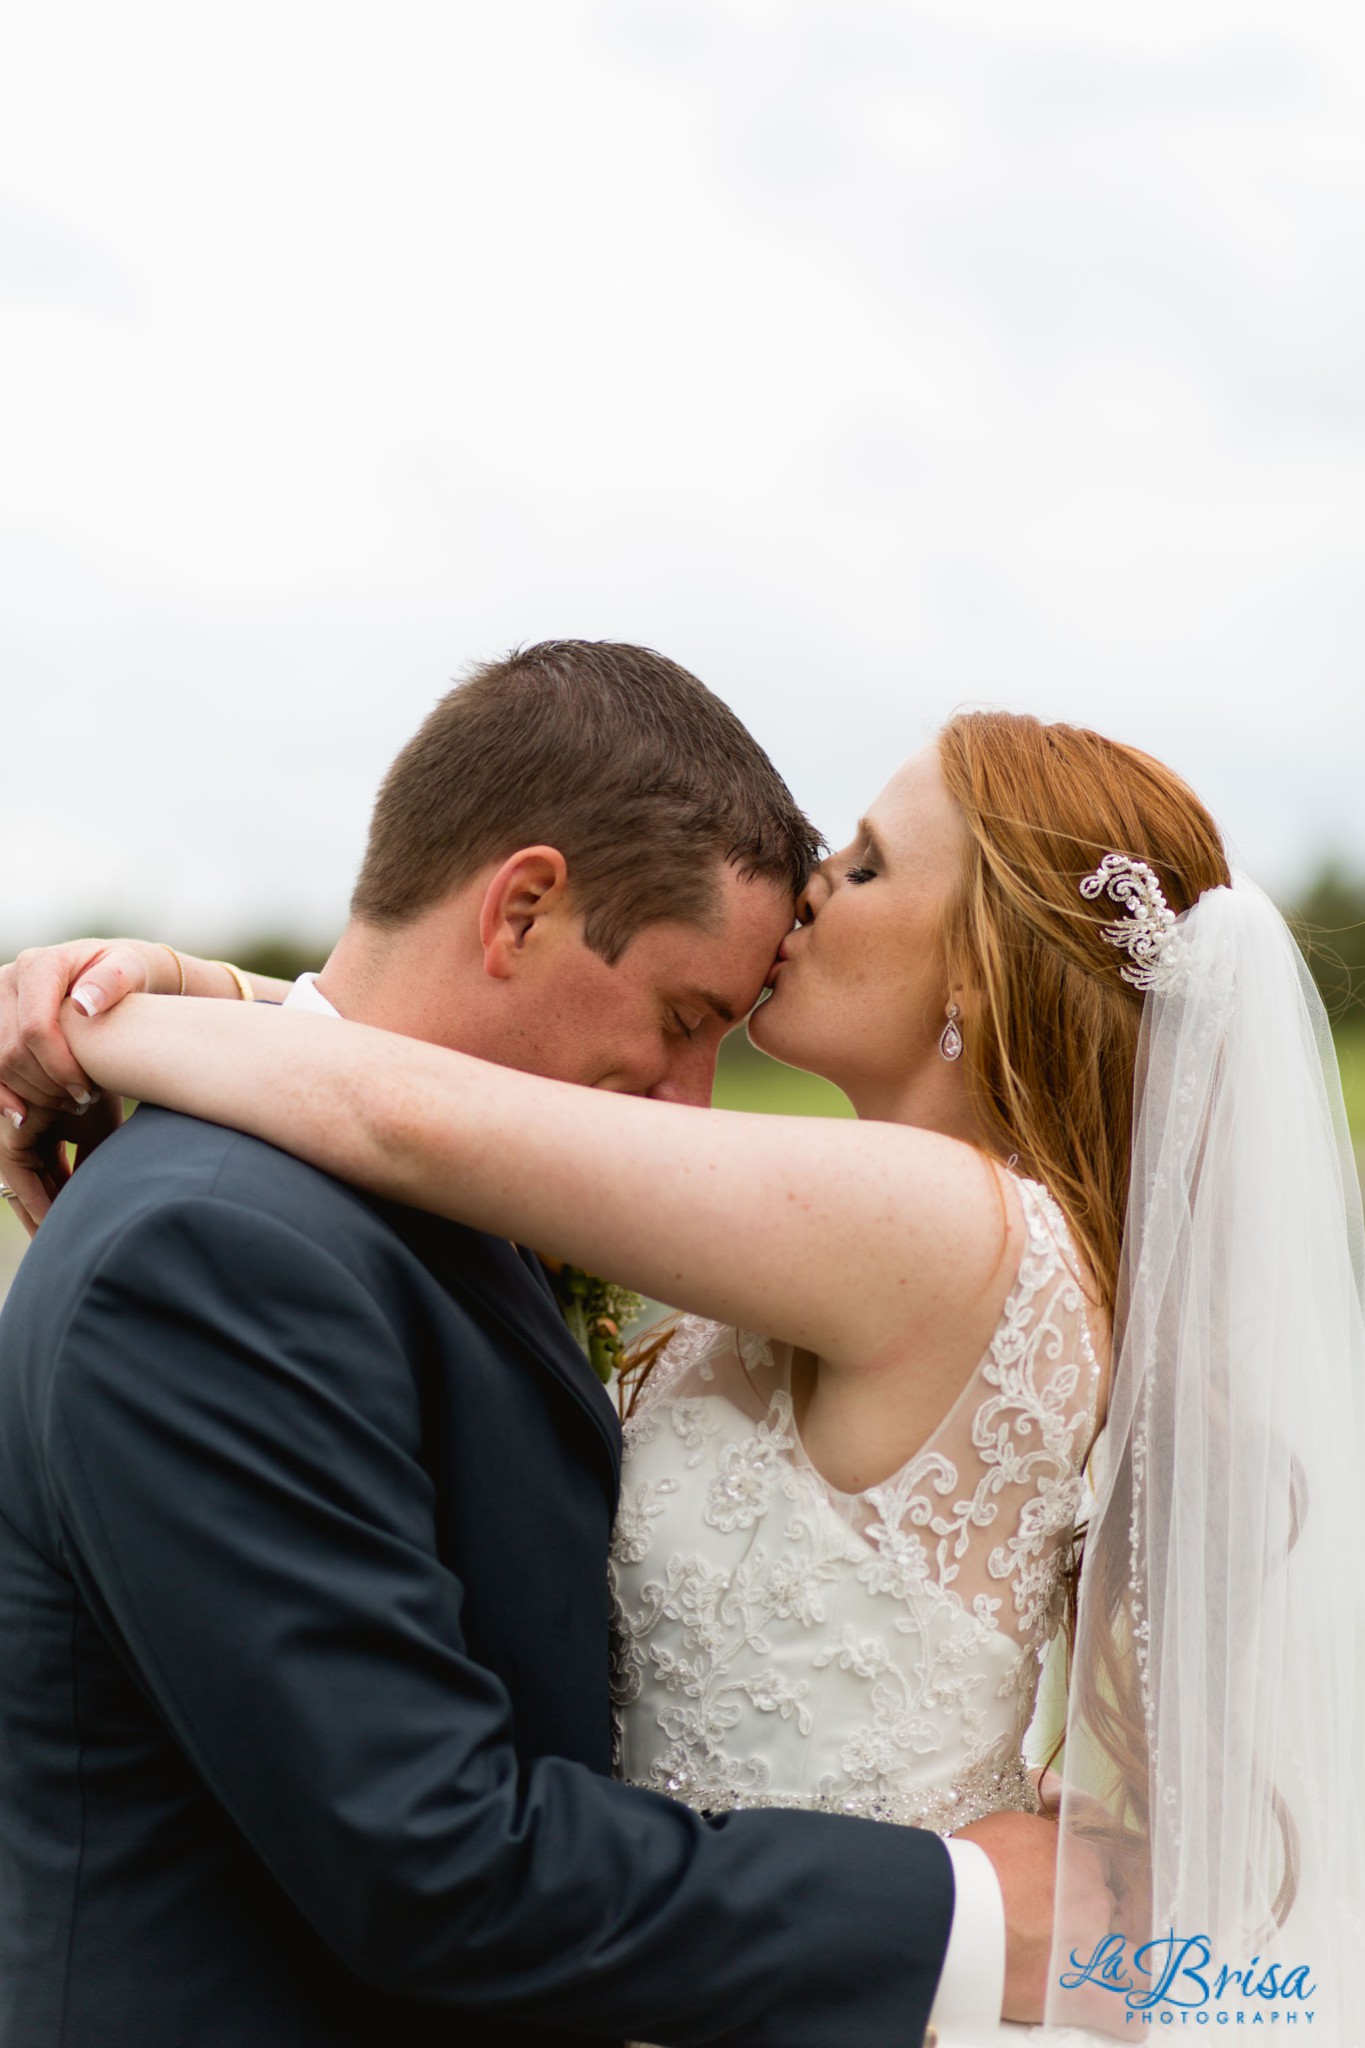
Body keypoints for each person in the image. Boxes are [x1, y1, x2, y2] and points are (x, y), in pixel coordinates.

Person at [11, 694, 1362, 2041]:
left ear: (977, 968)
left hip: (836, 1973)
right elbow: (439, 1104)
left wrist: (102, 1016)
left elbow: (407, 1113)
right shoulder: (807, 1243)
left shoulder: (937, 1222)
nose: (816, 895)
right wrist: (232, 996)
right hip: (774, 1961)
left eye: (871, 865)